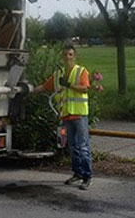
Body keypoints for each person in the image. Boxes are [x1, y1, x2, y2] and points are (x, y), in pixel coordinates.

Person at [33, 44, 93, 190]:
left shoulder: (81, 71)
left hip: (79, 115)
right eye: (65, 54)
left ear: (75, 56)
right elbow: (44, 87)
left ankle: (87, 176)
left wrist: (69, 84)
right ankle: (77, 174)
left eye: (70, 54)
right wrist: (27, 91)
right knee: (72, 147)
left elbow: (85, 88)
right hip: (66, 116)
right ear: (62, 56)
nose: (67, 57)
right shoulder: (58, 75)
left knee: (83, 146)